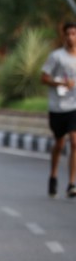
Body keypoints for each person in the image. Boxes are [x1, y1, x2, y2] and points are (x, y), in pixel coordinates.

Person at [41, 21, 76, 198]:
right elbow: (44, 78)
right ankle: (53, 176)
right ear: (63, 36)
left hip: (74, 107)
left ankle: (71, 183)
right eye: (68, 34)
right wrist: (61, 83)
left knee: (75, 141)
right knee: (60, 144)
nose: (71, 37)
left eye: (74, 34)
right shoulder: (56, 57)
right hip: (58, 107)